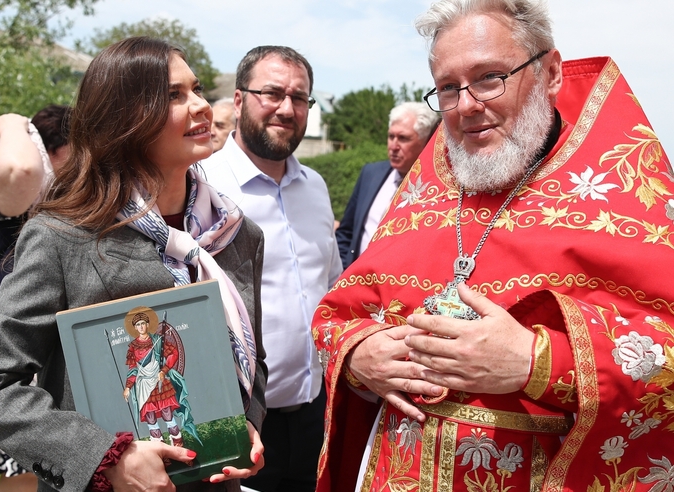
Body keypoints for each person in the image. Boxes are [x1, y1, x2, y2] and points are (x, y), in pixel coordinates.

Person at [312, 0, 674, 491]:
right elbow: (338, 314)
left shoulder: (623, 192)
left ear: (550, 73)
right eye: (447, 87)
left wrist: (537, 362)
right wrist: (359, 355)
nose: (465, 106)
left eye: (489, 78)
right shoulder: (425, 194)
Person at [0, 37, 267, 492]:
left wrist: (245, 425)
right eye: (173, 96)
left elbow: (252, 358)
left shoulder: (238, 235)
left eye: (197, 89)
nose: (201, 105)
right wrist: (105, 457)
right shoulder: (62, 235)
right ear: (125, 119)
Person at [203, 46, 343, 492]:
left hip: (315, 418)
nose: (287, 108)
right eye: (273, 94)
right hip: (237, 424)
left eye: (300, 98)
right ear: (240, 100)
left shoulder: (316, 187)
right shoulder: (200, 184)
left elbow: (334, 286)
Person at [0, 104, 71, 492]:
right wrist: (13, 123)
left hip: (48, 339)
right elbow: (21, 169)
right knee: (24, 469)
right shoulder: (6, 185)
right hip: (9, 341)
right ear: (49, 151)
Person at [335, 102, 440, 269]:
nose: (393, 146)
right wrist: (342, 271)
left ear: (425, 142)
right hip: (353, 285)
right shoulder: (370, 174)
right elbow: (346, 232)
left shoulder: (437, 189)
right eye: (391, 136)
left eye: (403, 138)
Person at [123, 309, 197, 447]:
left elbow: (173, 353)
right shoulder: (133, 347)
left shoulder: (157, 340)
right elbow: (133, 368)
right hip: (143, 385)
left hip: (159, 381)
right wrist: (128, 387)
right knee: (150, 417)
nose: (141, 327)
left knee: (167, 414)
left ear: (147, 324)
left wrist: (164, 370)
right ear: (135, 327)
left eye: (143, 323)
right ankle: (161, 451)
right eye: (138, 324)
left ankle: (179, 446)